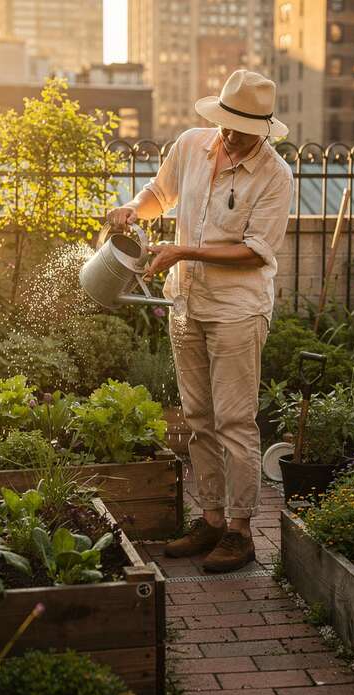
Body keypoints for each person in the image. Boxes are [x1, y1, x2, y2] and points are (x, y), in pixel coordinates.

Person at [104, 69, 293, 573]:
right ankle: (209, 519)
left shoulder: (276, 176)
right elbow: (159, 194)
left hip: (237, 310)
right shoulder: (192, 144)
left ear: (264, 129)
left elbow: (256, 252)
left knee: (234, 422)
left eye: (242, 129)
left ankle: (240, 530)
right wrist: (131, 209)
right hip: (185, 304)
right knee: (197, 421)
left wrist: (184, 249)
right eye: (226, 124)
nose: (229, 135)